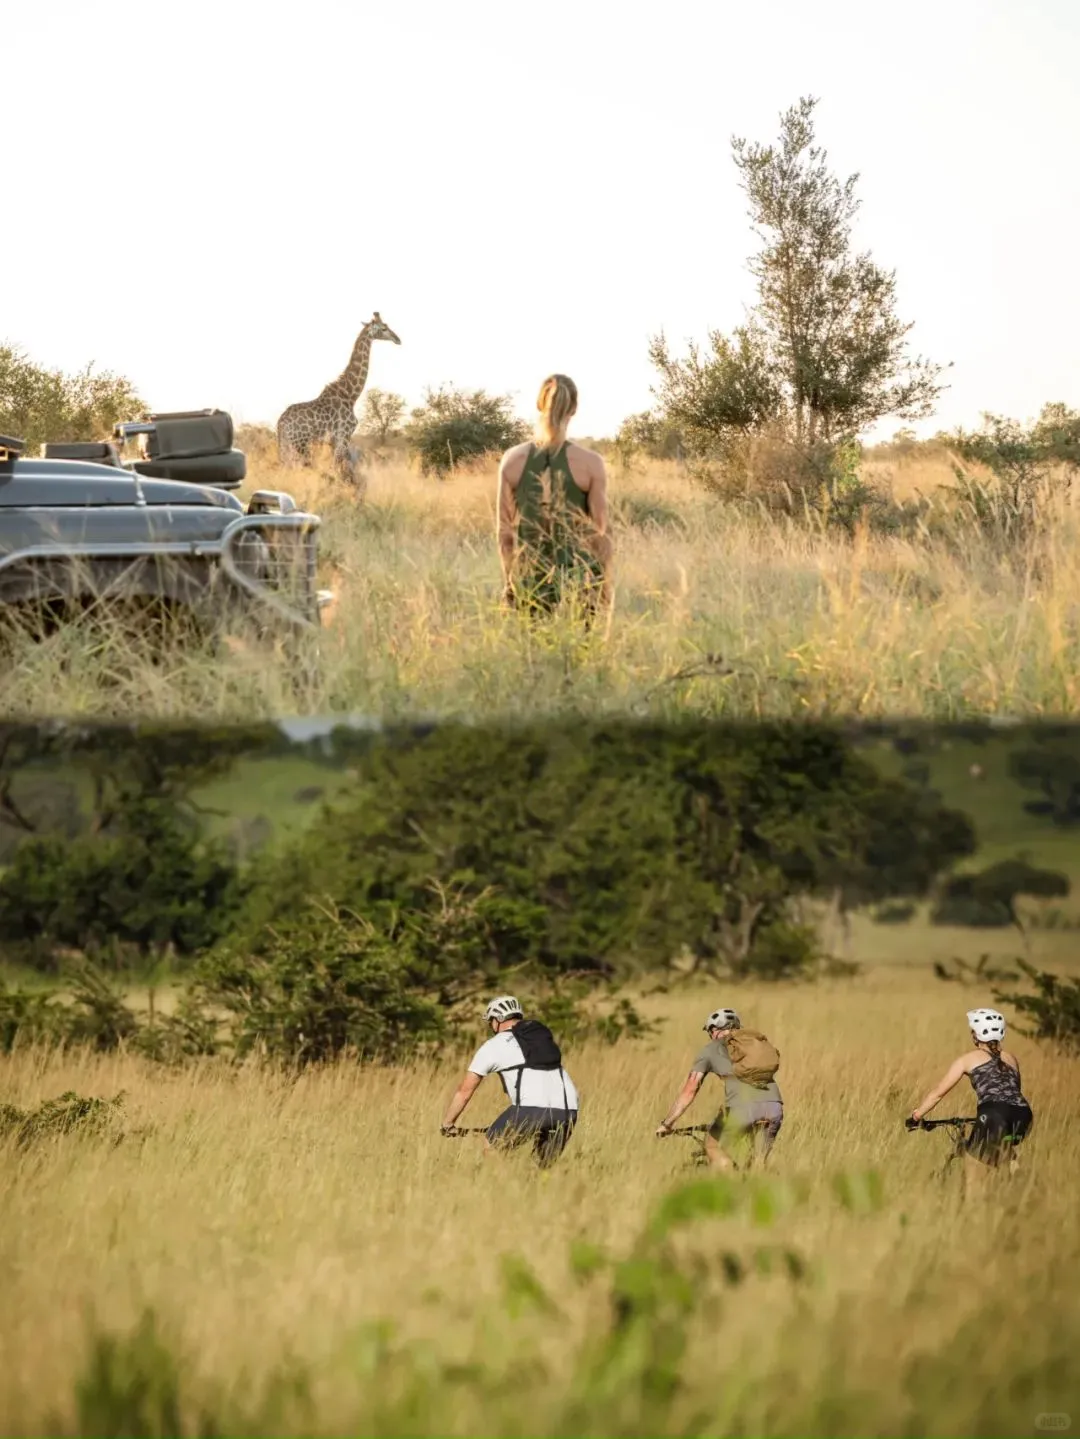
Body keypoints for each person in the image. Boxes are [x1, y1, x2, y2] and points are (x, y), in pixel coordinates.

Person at [496, 374, 613, 623]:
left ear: (540, 404)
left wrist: (508, 582)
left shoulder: (512, 460)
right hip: (580, 580)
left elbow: (504, 534)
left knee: (531, 654)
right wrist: (605, 585)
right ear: (574, 408)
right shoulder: (591, 463)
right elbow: (600, 533)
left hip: (529, 578)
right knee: (582, 652)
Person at [440, 995, 580, 1168]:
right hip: (568, 1109)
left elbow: (464, 1091)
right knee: (542, 1167)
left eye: (491, 1021)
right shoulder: (539, 1039)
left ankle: (507, 1188)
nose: (491, 1026)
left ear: (498, 1019)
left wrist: (448, 1123)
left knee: (492, 1147)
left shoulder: (493, 1046)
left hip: (531, 1109)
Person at [655, 1008, 783, 1171]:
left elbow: (690, 1090)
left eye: (710, 1031)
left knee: (713, 1146)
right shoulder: (753, 1043)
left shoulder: (709, 1050)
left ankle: (731, 1181)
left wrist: (667, 1124)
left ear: (714, 1030)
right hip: (774, 1107)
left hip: (741, 1108)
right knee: (758, 1163)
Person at [911, 1008, 1033, 1176]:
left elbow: (938, 1094)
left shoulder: (968, 1059)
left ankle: (973, 1198)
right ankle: (1020, 1180)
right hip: (1024, 1115)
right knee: (1003, 1151)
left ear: (977, 1035)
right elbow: (1013, 1093)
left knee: (972, 1162)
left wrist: (916, 1116)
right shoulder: (1011, 1058)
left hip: (994, 1114)